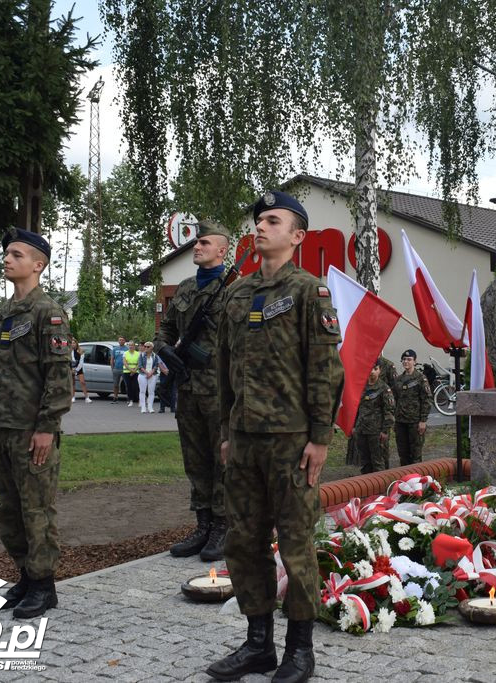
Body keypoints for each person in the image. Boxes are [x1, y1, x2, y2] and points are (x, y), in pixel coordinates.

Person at [208, 190, 343, 683]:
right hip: (244, 440)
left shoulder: (310, 291)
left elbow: (325, 370)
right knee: (242, 542)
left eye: (272, 220)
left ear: (297, 235)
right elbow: (225, 371)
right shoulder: (236, 295)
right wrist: (226, 430)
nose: (260, 227)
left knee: (295, 544)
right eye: (258, 220)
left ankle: (300, 650)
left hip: (291, 440)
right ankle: (258, 643)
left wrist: (320, 438)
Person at [0, 228, 73, 619]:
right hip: (2, 427)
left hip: (31, 430)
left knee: (36, 509)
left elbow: (58, 375)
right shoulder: (2, 314)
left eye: (16, 254)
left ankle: (44, 585)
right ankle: (25, 575)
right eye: (6, 254)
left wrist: (46, 427)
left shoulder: (47, 312)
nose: (7, 259)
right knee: (10, 509)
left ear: (38, 265)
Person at [156, 224, 233, 561]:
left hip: (219, 389)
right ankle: (202, 524)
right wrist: (164, 349)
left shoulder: (234, 289)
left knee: (222, 459)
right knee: (195, 457)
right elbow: (167, 328)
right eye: (196, 241)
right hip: (187, 385)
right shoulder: (186, 288)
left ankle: (222, 525)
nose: (196, 247)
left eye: (204, 242)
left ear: (222, 251)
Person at [392, 349, 432, 466]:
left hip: (415, 422)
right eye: (404, 359)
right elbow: (394, 400)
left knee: (415, 454)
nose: (406, 362)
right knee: (403, 453)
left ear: (415, 361)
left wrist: (423, 420)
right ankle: (405, 480)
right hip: (400, 422)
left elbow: (426, 400)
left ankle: (416, 480)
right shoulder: (398, 380)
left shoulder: (421, 378)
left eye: (409, 360)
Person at [354, 363, 396, 473]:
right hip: (362, 430)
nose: (372, 371)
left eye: (375, 369)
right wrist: (354, 426)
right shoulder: (361, 387)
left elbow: (389, 411)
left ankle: (381, 488)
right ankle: (367, 487)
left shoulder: (384, 389)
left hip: (376, 431)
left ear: (379, 371)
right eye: (369, 368)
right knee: (365, 462)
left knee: (378, 462)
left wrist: (385, 431)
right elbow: (356, 408)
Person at [137, 342, 165, 413]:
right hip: (143, 375)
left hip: (152, 375)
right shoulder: (141, 355)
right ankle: (143, 408)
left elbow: (156, 366)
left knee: (151, 392)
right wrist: (147, 373)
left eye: (148, 347)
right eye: (145, 346)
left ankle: (150, 407)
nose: (146, 348)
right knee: (142, 391)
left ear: (152, 348)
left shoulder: (155, 356)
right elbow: (140, 366)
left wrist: (151, 373)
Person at [70, 336, 92, 403]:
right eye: (71, 343)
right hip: (71, 368)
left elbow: (81, 362)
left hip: (79, 369)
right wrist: (71, 369)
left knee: (83, 382)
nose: (73, 344)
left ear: (76, 343)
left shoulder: (80, 351)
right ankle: (73, 397)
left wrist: (76, 370)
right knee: (72, 383)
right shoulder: (69, 351)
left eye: (74, 343)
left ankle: (87, 397)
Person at [110, 336, 128, 403]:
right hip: (116, 369)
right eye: (120, 340)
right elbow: (112, 359)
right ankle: (115, 397)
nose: (121, 341)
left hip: (125, 369)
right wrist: (112, 368)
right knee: (115, 384)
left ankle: (128, 398)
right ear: (118, 341)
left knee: (126, 384)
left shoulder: (127, 349)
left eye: (122, 340)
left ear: (124, 341)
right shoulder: (115, 349)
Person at [122, 342, 140, 407]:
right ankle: (130, 400)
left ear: (134, 346)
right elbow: (125, 363)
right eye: (129, 345)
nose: (131, 346)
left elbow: (139, 363)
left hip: (136, 372)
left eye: (132, 345)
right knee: (129, 386)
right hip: (127, 372)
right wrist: (131, 370)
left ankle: (138, 400)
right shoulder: (125, 353)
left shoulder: (138, 353)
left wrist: (134, 371)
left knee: (135, 386)